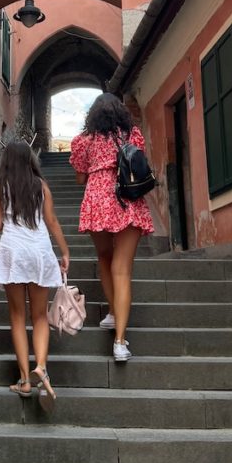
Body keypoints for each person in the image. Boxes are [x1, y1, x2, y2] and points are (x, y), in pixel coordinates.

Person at [70, 93, 154, 362]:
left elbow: (80, 178)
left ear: (93, 115)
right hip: (127, 199)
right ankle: (119, 341)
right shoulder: (133, 134)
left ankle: (114, 313)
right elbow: (139, 163)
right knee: (123, 269)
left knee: (105, 257)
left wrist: (98, 171)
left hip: (98, 200)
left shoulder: (84, 141)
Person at [0, 141, 70, 410]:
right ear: (30, 160)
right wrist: (65, 251)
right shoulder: (41, 187)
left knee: (17, 317)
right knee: (39, 316)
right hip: (39, 252)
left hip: (13, 252)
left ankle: (24, 379)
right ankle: (42, 368)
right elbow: (52, 222)